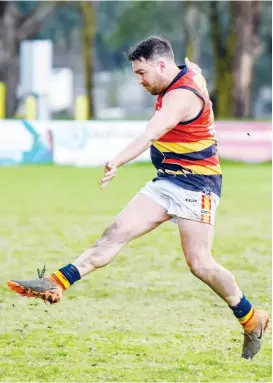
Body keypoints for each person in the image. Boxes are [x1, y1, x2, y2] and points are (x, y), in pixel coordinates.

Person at [7, 36, 268, 360]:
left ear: (161, 64)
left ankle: (252, 319)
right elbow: (192, 69)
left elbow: (150, 133)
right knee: (115, 233)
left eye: (142, 73)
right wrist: (196, 70)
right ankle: (57, 282)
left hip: (197, 186)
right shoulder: (181, 75)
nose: (139, 81)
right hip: (166, 182)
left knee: (200, 264)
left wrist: (116, 160)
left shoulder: (181, 97)